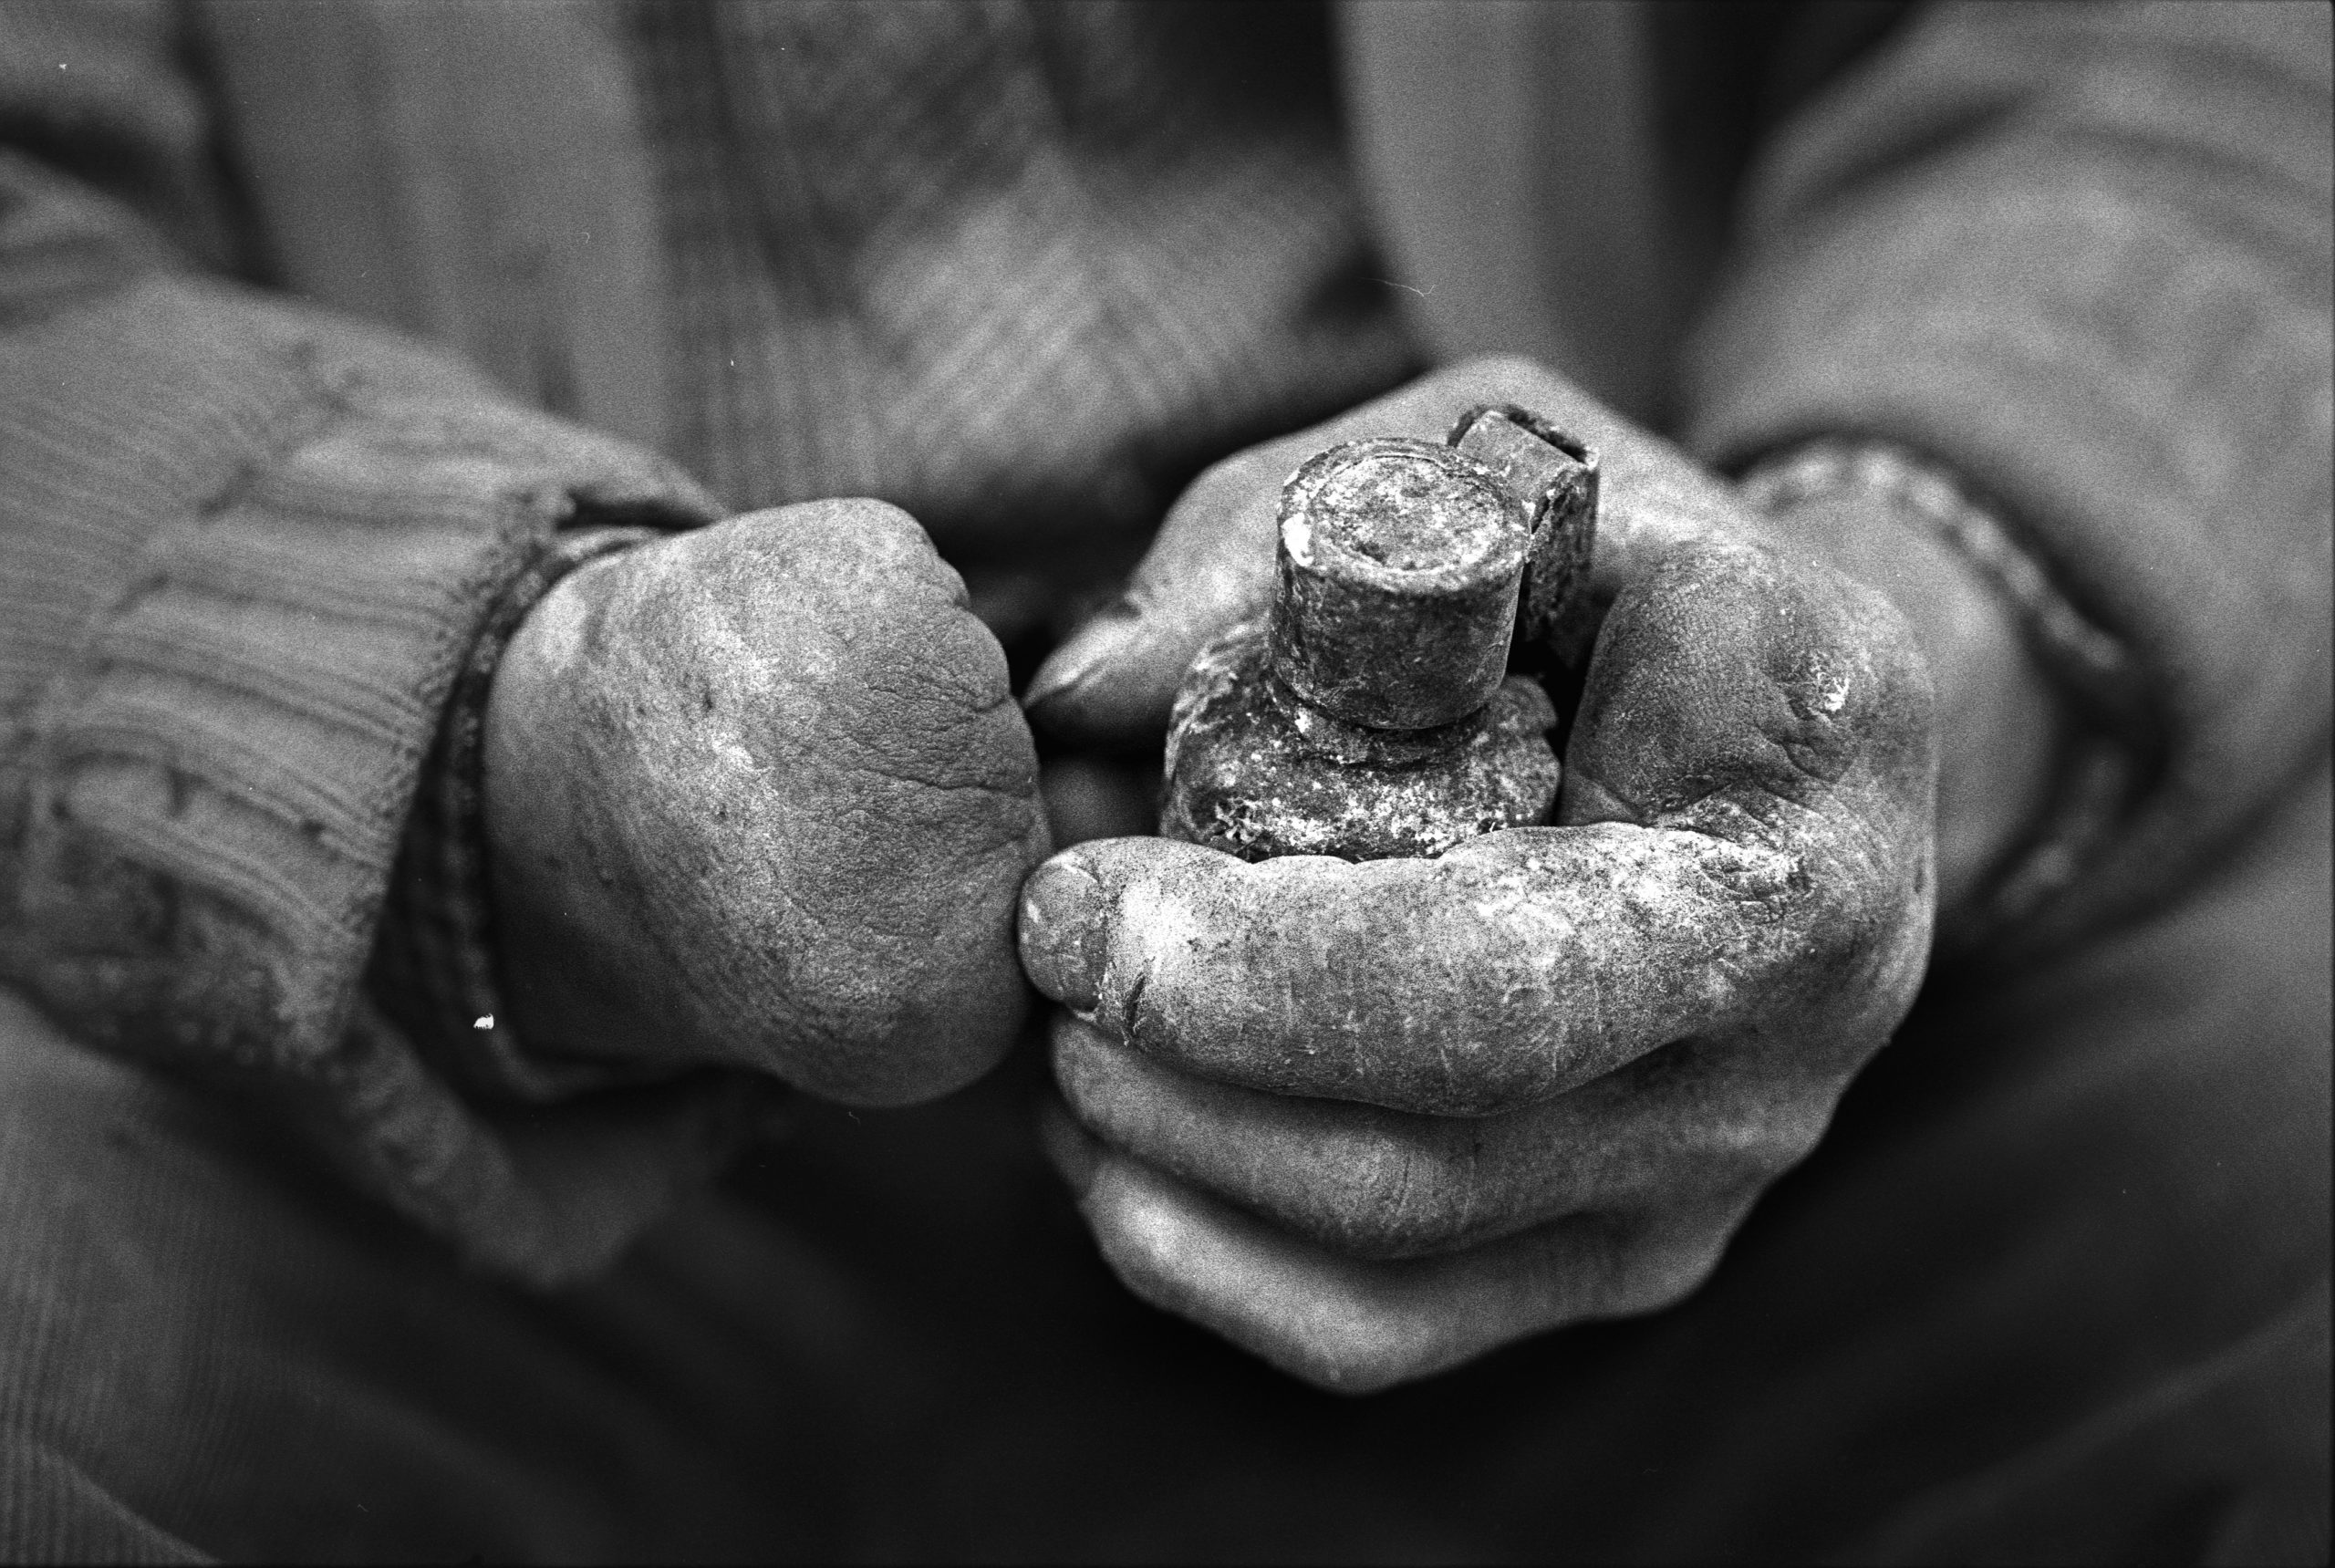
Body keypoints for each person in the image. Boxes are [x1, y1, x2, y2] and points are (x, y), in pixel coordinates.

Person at [1, 1, 2325, 1560]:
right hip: (467, 1082)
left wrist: (1877, 619)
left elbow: (2168, 63)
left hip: (1700, 947)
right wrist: (521, 731)